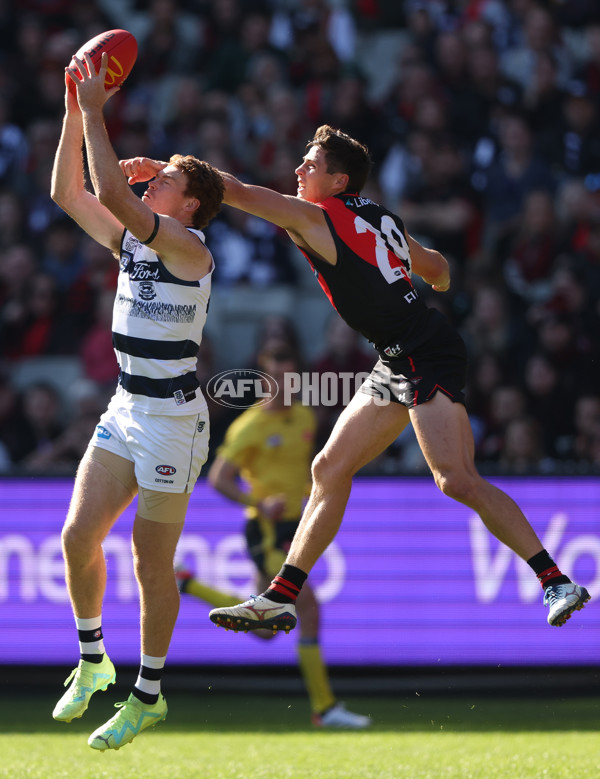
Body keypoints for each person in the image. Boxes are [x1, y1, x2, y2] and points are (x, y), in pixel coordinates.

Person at [122, 125, 590, 642]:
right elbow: (440, 270)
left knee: (455, 478)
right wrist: (415, 280)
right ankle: (280, 597)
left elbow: (233, 190)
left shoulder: (316, 216)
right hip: (401, 355)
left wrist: (167, 170)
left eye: (311, 165)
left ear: (339, 180)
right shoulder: (376, 216)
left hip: (422, 354)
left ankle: (555, 580)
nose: (299, 170)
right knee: (329, 467)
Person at [49, 52, 224, 751]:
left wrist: (98, 110)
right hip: (126, 406)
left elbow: (117, 195)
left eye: (168, 178)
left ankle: (147, 696)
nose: (153, 178)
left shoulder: (191, 250)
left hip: (173, 422)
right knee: (75, 536)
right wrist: (71, 110)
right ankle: (94, 660)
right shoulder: (133, 242)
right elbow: (68, 192)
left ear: (189, 205)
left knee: (152, 563)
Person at [176, 339, 371, 728]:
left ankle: (187, 585)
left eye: (289, 376)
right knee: (308, 607)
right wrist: (260, 503)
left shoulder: (305, 418)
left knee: (265, 630)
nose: (283, 383)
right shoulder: (250, 425)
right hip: (267, 529)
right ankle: (325, 709)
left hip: (296, 526)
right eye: (276, 376)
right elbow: (219, 478)